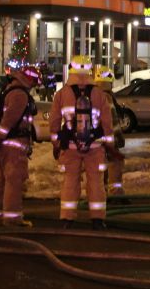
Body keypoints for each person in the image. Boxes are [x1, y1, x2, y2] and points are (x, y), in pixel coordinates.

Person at [49, 55, 114, 230]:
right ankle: (98, 219)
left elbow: (54, 122)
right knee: (96, 183)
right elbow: (107, 123)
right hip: (95, 146)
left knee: (70, 182)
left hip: (70, 147)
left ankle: (67, 218)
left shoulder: (62, 94)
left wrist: (56, 144)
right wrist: (109, 145)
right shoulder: (100, 94)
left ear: (71, 69)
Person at [0, 64, 40, 226]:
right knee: (13, 182)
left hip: (1, 146)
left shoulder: (7, 89)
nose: (34, 86)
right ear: (29, 80)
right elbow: (9, 120)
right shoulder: (20, 95)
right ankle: (12, 218)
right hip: (13, 146)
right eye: (34, 82)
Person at [93, 65, 127, 197]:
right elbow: (112, 121)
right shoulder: (106, 97)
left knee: (103, 169)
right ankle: (116, 194)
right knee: (115, 166)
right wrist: (118, 140)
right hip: (109, 139)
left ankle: (102, 193)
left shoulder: (94, 94)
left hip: (97, 139)